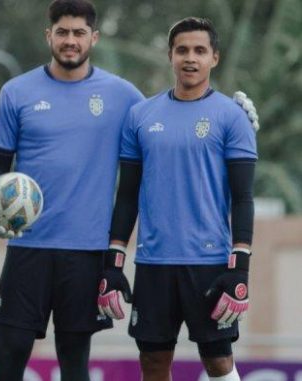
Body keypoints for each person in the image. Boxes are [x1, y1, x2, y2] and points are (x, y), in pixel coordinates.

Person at [0, 1, 145, 380]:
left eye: (79, 33)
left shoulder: (123, 95)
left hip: (86, 251)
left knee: (74, 364)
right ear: (48, 35)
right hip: (27, 247)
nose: (71, 41)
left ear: (94, 38)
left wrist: (228, 116)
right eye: (63, 32)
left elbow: (169, 125)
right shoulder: (16, 91)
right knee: (10, 358)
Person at [104, 17, 257, 381]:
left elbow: (243, 197)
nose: (191, 58)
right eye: (182, 50)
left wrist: (240, 267)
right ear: (170, 55)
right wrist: (113, 262)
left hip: (209, 261)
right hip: (154, 262)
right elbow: (126, 196)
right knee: (154, 363)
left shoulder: (232, 117)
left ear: (214, 58)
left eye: (200, 51)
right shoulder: (141, 116)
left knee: (218, 362)